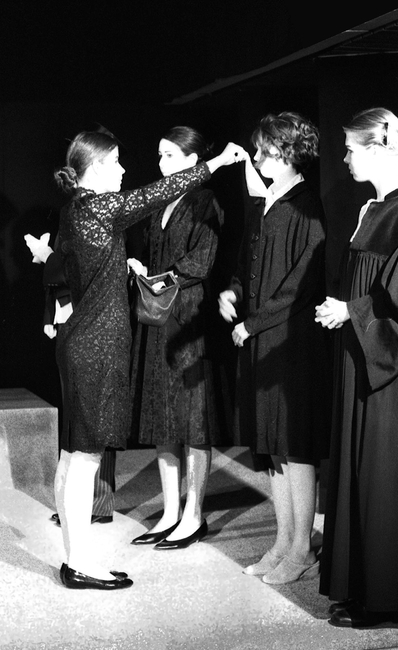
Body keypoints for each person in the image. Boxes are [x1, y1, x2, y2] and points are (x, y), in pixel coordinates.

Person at [50, 127, 245, 590]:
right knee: (85, 461)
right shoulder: (100, 206)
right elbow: (155, 193)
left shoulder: (77, 210)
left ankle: (76, 559)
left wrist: (122, 268)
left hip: (81, 344)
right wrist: (216, 163)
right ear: (96, 167)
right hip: (95, 349)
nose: (123, 170)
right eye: (116, 162)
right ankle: (81, 565)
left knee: (73, 456)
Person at [315, 107, 398, 627]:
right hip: (365, 357)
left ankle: (389, 600)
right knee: (366, 468)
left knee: (388, 472)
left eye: (351, 149)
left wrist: (352, 311)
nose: (344, 159)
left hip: (394, 368)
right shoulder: (376, 209)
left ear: (381, 148)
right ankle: (371, 590)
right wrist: (346, 310)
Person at [219, 111, 331, 584]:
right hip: (262, 341)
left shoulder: (307, 207)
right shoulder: (266, 203)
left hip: (290, 343)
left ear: (287, 153)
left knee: (294, 447)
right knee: (272, 448)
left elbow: (301, 285)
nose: (258, 158)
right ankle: (284, 542)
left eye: (264, 151)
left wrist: (253, 323)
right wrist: (233, 292)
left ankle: (302, 549)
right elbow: (247, 265)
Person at [128, 126, 227, 549]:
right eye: (160, 154)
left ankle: (194, 514)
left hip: (187, 318)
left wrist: (158, 279)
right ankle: (170, 511)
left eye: (170, 154)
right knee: (161, 417)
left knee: (193, 419)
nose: (161, 162)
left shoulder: (206, 200)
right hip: (157, 316)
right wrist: (141, 269)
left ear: (192, 159)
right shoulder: (159, 203)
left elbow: (202, 262)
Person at [24, 234, 116, 525]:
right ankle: (80, 502)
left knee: (94, 412)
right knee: (76, 413)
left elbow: (76, 271)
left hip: (93, 327)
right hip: (69, 324)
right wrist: (49, 315)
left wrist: (46, 255)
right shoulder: (71, 221)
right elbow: (59, 277)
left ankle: (99, 502)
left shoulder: (99, 222)